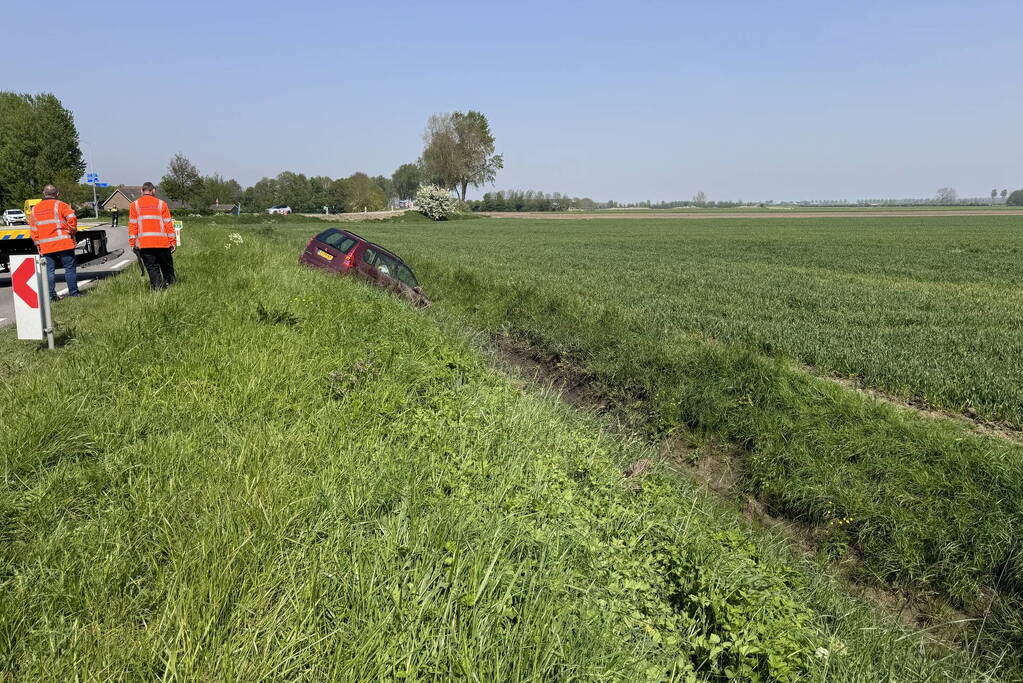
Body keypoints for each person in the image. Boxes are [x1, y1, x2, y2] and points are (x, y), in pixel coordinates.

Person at [29, 184, 81, 299]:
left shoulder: (35, 209)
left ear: (44, 193)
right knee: (69, 269)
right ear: (57, 194)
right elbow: (72, 218)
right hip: (64, 243)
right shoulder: (62, 205)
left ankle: (52, 296)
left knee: (49, 271)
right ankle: (74, 293)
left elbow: (33, 229)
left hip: (46, 245)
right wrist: (71, 231)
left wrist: (38, 243)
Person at [128, 182, 177, 289]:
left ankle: (158, 289)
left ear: (141, 191)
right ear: (153, 190)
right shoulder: (162, 204)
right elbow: (168, 224)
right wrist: (172, 242)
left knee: (152, 268)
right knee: (166, 266)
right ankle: (171, 286)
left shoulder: (134, 205)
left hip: (145, 244)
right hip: (162, 243)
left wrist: (132, 244)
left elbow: (132, 226)